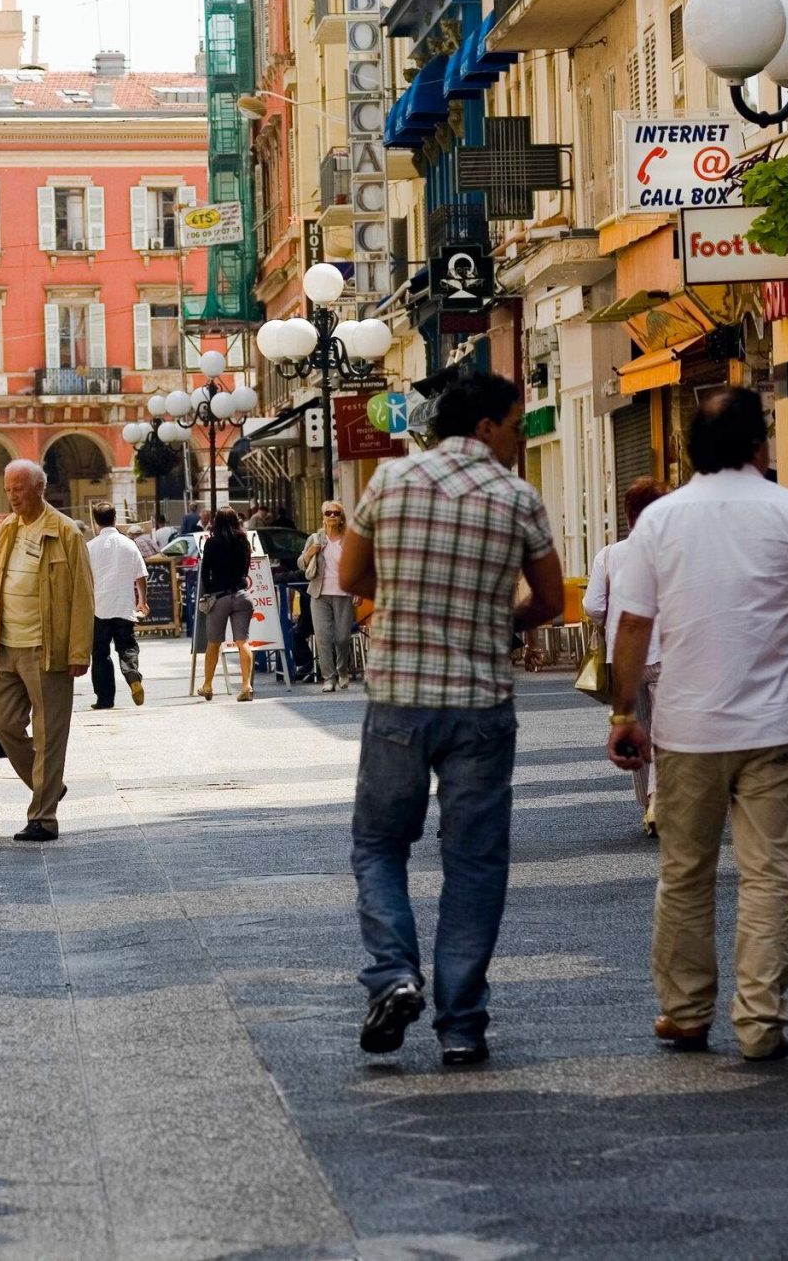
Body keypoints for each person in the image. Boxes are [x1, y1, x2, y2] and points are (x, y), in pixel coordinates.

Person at [608, 387, 788, 1064]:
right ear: (758, 442)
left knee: (684, 873)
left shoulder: (660, 521)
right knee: (768, 875)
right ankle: (760, 1020)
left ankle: (686, 1011)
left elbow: (632, 623)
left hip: (687, 729)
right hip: (774, 726)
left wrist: (625, 711)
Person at [339, 373, 561, 1065]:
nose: (522, 437)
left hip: (401, 698)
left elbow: (351, 577)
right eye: (518, 425)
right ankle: (461, 1023)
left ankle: (395, 973)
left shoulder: (390, 482)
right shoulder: (517, 496)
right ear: (488, 426)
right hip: (480, 705)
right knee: (474, 862)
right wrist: (500, 617)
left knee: (379, 845)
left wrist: (406, 597)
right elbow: (550, 599)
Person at [0, 458, 93, 843]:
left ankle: (43, 817)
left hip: (48, 647)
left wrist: (80, 650)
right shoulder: (7, 529)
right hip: (6, 645)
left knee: (49, 735)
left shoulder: (64, 532)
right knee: (4, 725)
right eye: (8, 489)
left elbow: (82, 593)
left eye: (19, 489)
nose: (12, 496)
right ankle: (48, 785)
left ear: (39, 489)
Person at [584, 479, 664, 834]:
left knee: (637, 729)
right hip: (664, 655)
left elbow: (592, 606)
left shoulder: (609, 555)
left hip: (625, 659)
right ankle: (659, 801)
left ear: (628, 514)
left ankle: (648, 805)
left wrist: (612, 619)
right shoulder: (669, 550)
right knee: (665, 732)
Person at [84, 503, 149, 709]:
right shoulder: (129, 544)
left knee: (100, 654)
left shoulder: (90, 547)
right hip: (123, 606)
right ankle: (132, 675)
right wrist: (142, 600)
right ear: (114, 518)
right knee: (127, 646)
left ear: (95, 522)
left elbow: (84, 580)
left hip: (99, 607)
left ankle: (105, 699)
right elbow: (141, 575)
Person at [194, 508, 260, 702]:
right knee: (243, 642)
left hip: (220, 597)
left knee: (213, 643)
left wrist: (209, 592)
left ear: (216, 522)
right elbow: (246, 568)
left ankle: (207, 685)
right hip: (242, 595)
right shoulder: (243, 541)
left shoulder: (212, 543)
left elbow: (205, 572)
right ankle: (246, 685)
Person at [301, 503, 358, 692]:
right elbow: (301, 564)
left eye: (336, 513)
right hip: (319, 594)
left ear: (341, 517)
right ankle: (328, 678)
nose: (332, 515)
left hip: (344, 594)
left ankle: (342, 671)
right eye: (328, 513)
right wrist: (310, 553)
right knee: (323, 637)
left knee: (342, 638)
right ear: (323, 517)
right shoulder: (315, 539)